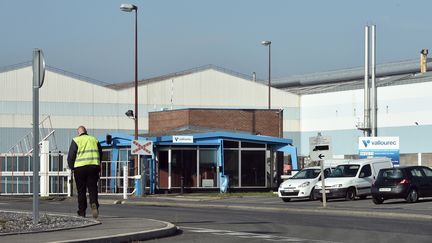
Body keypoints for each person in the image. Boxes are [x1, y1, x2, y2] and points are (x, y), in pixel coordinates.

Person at [67, 126, 102, 219]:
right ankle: (94, 203)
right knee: (93, 188)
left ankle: (82, 212)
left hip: (80, 168)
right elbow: (100, 153)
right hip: (93, 167)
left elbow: (71, 155)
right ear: (86, 131)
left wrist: (71, 167)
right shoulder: (94, 139)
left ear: (78, 133)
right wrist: (99, 164)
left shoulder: (76, 140)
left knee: (81, 191)